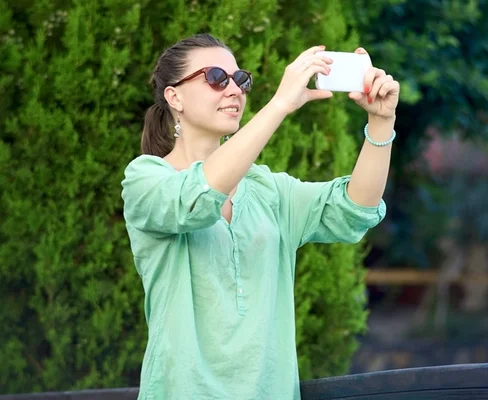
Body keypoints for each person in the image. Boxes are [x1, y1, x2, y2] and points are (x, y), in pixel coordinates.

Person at [121, 33, 398, 400]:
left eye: (241, 80)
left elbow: (354, 209)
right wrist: (280, 104)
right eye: (216, 77)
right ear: (174, 97)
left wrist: (382, 122)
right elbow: (198, 198)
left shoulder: (268, 190)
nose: (234, 89)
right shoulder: (146, 179)